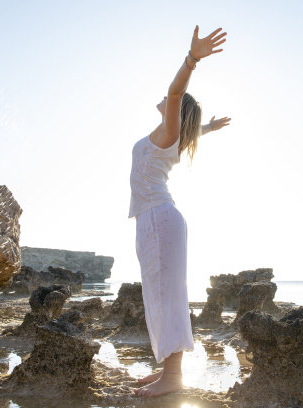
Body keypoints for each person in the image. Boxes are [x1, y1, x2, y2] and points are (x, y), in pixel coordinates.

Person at [128, 26, 230, 398]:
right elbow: (191, 128)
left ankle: (173, 379)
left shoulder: (169, 132)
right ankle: (167, 373)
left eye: (174, 102)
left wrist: (192, 60)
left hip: (159, 218)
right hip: (154, 220)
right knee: (158, 295)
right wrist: (211, 127)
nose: (168, 99)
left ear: (177, 110)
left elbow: (174, 93)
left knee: (166, 296)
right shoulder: (169, 135)